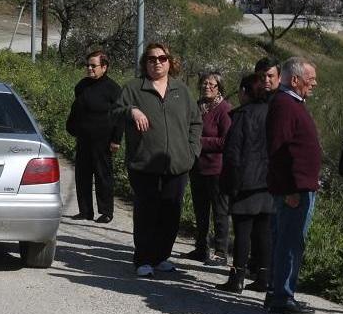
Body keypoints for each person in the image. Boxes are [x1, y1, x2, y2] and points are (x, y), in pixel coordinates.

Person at [115, 42, 203, 277]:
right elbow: (115, 111)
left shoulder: (181, 91)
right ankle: (143, 259)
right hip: (144, 164)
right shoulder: (134, 88)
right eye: (152, 59)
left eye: (162, 58)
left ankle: (161, 256)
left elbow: (196, 123)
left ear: (169, 62)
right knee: (147, 212)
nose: (157, 63)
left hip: (177, 165)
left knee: (171, 214)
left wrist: (192, 151)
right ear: (145, 63)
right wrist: (131, 111)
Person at [265, 57, 320, 314]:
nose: (315, 84)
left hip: (297, 186)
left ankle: (278, 291)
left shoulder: (292, 104)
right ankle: (282, 295)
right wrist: (289, 190)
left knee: (286, 240)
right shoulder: (285, 105)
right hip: (293, 190)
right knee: (289, 241)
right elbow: (278, 150)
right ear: (295, 80)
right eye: (310, 80)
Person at [217, 73, 274, 293]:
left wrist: (229, 184)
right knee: (264, 232)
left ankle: (237, 277)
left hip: (246, 181)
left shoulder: (242, 115)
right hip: (268, 182)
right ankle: (263, 277)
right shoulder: (272, 113)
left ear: (243, 92)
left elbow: (232, 153)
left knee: (242, 232)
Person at [65, 49, 124, 223]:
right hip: (84, 139)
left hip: (103, 141)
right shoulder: (82, 85)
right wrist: (71, 128)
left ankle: (106, 212)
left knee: (102, 176)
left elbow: (120, 116)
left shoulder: (113, 89)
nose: (89, 68)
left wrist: (116, 140)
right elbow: (76, 109)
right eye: (88, 65)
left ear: (104, 67)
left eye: (93, 65)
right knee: (82, 175)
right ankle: (85, 211)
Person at [186, 72, 232, 265]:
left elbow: (225, 140)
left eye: (212, 85)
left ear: (219, 88)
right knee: (200, 209)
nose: (207, 87)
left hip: (217, 169)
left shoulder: (224, 110)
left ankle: (221, 251)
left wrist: (199, 141)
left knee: (220, 211)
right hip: (197, 167)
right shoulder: (198, 107)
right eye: (204, 83)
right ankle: (201, 247)